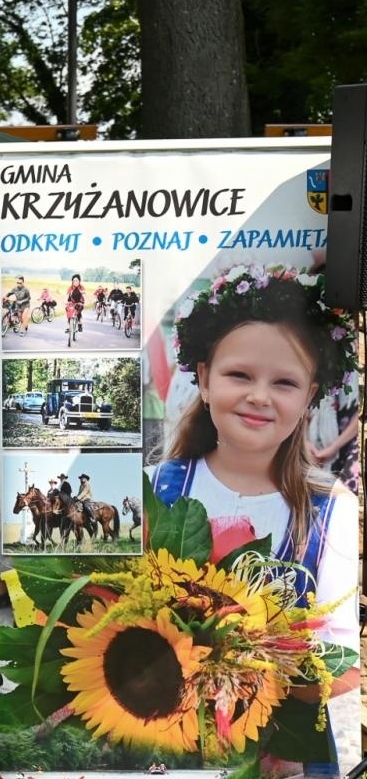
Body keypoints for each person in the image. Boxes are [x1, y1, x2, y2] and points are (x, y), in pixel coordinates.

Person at [150, 264, 361, 650]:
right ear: (205, 379)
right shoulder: (152, 487)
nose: (260, 397)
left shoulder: (330, 511)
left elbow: (339, 656)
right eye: (240, 375)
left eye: (285, 383)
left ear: (309, 398)